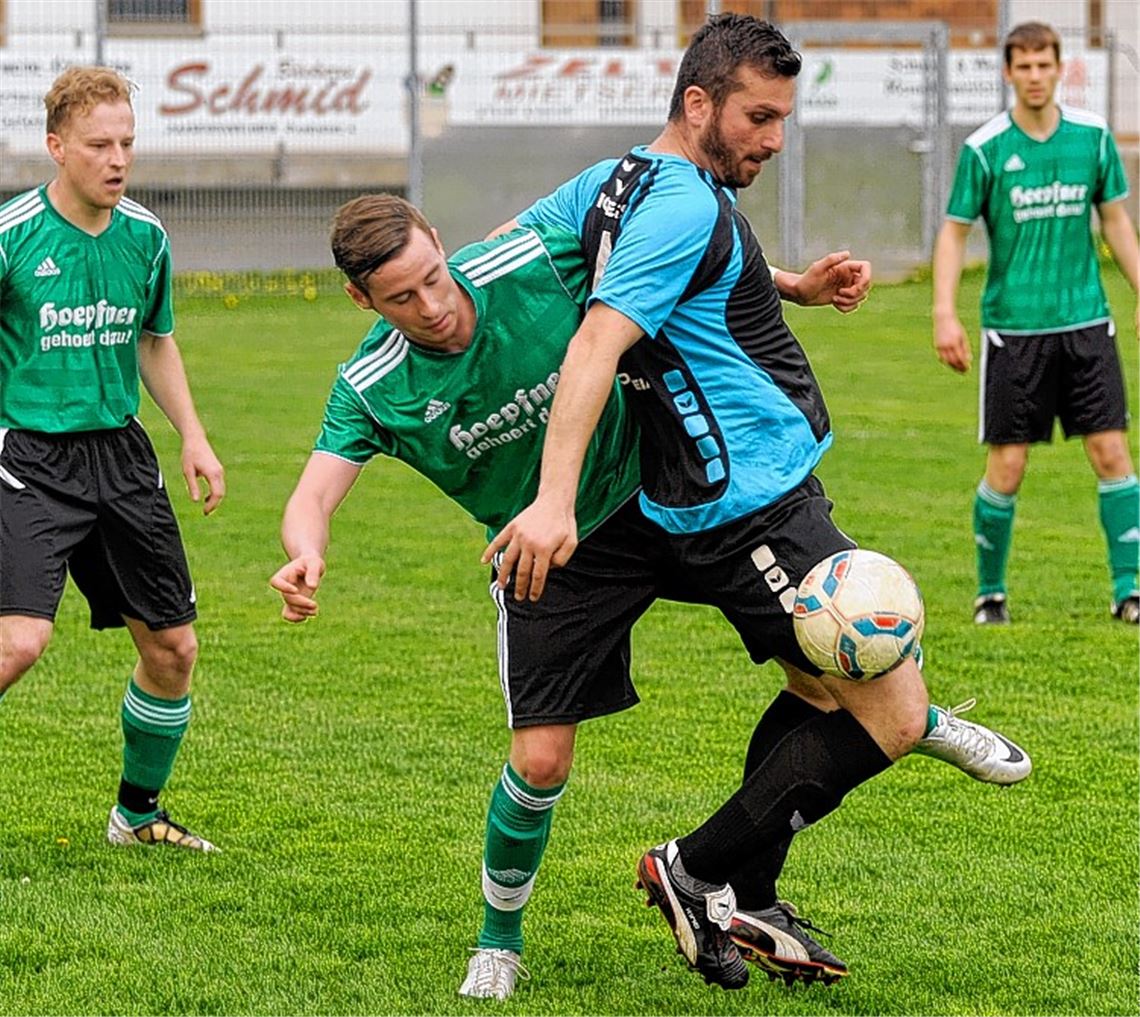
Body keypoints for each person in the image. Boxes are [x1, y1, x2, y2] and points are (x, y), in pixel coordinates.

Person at [273, 192, 1027, 1000]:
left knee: (818, 672)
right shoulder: (371, 385)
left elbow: (666, 252)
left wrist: (796, 288)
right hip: (554, 549)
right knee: (539, 761)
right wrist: (304, 551)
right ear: (362, 299)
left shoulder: (527, 260)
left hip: (668, 494)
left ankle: (768, 870)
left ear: (437, 238)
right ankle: (498, 942)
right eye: (401, 297)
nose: (432, 306)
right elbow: (313, 492)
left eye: (434, 276)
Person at [484, 14, 1029, 989]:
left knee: (815, 689)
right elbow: (598, 340)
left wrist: (792, 287)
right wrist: (554, 497)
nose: (776, 139)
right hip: (750, 501)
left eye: (783, 118)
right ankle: (695, 871)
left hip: (737, 489)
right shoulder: (679, 207)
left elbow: (513, 260)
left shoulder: (618, 183)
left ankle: (752, 896)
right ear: (699, 103)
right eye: (760, 118)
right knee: (893, 713)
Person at [0, 67, 224, 852]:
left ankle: (136, 814)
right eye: (99, 144)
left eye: (127, 142)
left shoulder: (145, 237)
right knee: (19, 642)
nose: (118, 158)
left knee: (173, 648)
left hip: (121, 456)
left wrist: (192, 434)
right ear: (56, 146)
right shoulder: (12, 236)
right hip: (28, 455)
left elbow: (155, 340)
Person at [932, 21, 1139, 626]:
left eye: (1045, 64)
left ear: (1059, 67)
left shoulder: (1092, 138)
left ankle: (1129, 591)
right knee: (1009, 465)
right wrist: (945, 312)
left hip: (1086, 323)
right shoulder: (985, 148)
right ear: (1008, 72)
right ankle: (990, 595)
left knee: (1111, 452)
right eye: (1023, 66)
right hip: (1014, 331)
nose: (1035, 76)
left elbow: (1116, 221)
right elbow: (954, 232)